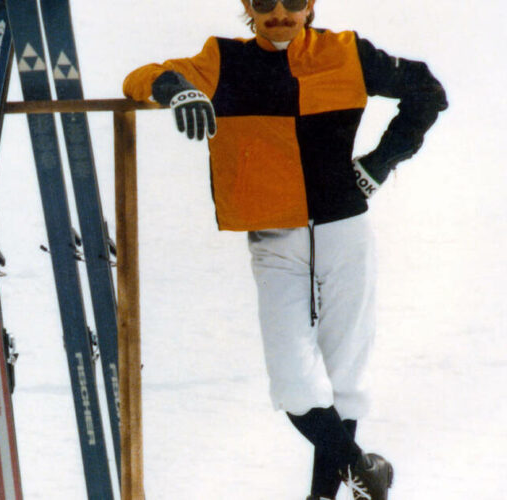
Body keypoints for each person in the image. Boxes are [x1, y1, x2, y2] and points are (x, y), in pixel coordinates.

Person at [123, 0, 447, 498]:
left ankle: (322, 495)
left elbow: (427, 91)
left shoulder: (345, 53)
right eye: (265, 2)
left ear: (311, 5)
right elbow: (141, 77)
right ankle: (365, 472)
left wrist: (381, 164)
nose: (280, 13)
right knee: (294, 383)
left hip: (345, 230)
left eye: (294, 1)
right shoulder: (222, 59)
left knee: (346, 377)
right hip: (274, 239)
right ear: (247, 8)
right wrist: (178, 89)